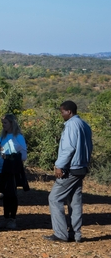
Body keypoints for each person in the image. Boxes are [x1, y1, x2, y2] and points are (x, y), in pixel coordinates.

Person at [47, 101, 93, 243]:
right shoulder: (84, 124)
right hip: (81, 167)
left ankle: (60, 234)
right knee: (75, 201)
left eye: (62, 112)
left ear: (69, 112)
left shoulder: (71, 125)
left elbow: (69, 148)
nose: (62, 115)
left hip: (71, 168)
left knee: (54, 198)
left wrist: (59, 165)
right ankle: (76, 234)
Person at [0, 113, 27, 230]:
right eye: (2, 123)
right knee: (4, 195)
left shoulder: (18, 137)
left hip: (11, 169)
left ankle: (12, 219)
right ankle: (5, 218)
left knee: (12, 194)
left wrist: (10, 156)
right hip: (1, 168)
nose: (3, 125)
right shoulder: (3, 136)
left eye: (5, 123)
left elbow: (23, 155)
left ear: (12, 123)